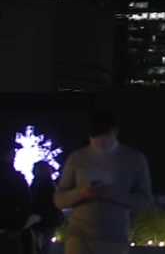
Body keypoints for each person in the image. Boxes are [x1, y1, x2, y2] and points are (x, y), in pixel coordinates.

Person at [53, 108, 152, 254]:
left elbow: (144, 201)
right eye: (95, 136)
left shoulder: (134, 159)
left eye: (105, 136)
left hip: (114, 241)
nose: (100, 141)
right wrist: (80, 193)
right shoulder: (77, 158)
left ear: (115, 131)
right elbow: (59, 200)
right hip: (79, 239)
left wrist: (113, 195)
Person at [1, 141, 33, 254]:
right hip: (10, 231)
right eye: (12, 152)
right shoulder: (15, 178)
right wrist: (18, 225)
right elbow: (26, 204)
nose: (14, 155)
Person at [29, 163, 61, 254]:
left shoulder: (43, 185)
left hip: (44, 220)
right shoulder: (48, 185)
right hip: (46, 220)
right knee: (43, 245)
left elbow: (41, 202)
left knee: (42, 244)